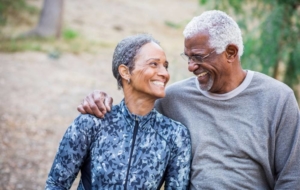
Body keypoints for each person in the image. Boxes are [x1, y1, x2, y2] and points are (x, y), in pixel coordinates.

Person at [77, 10, 300, 189]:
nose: (190, 67)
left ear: (231, 53)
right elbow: (131, 118)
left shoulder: (277, 99)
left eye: (199, 57)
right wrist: (100, 99)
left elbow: (292, 178)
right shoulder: (174, 98)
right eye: (188, 57)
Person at [45, 34, 192, 190]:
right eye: (154, 64)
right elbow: (56, 184)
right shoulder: (93, 123)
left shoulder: (175, 135)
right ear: (125, 71)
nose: (164, 73)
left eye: (165, 66)